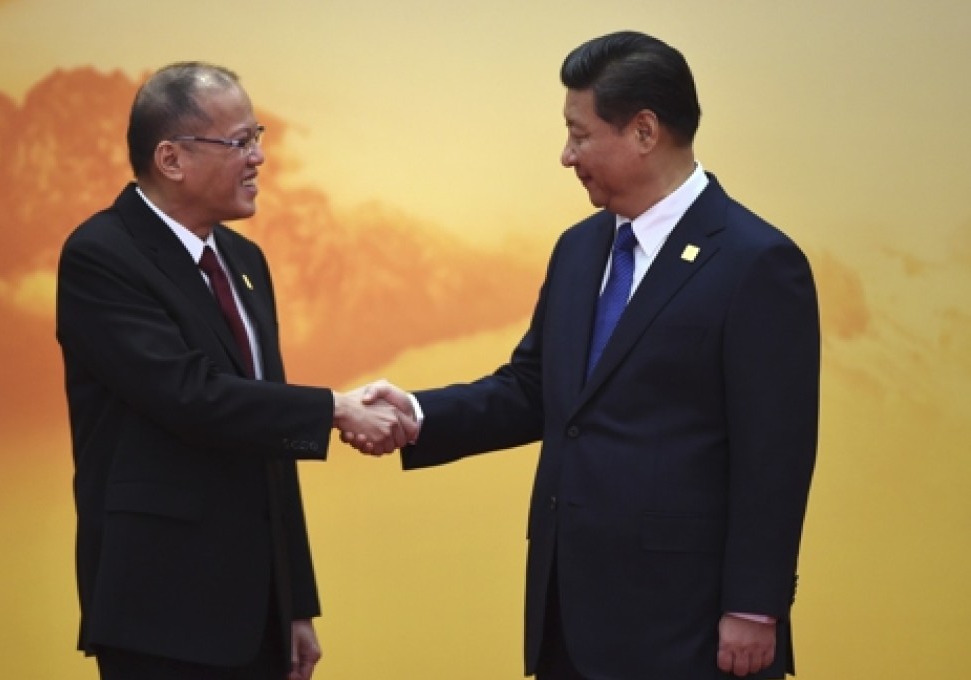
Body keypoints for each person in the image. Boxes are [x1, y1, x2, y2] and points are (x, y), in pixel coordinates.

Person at [350, 31, 819, 679]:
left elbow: (776, 453)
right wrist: (417, 413)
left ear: (644, 131)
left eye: (579, 133)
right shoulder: (579, 248)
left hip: (688, 624)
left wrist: (755, 606)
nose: (566, 156)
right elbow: (535, 389)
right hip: (568, 611)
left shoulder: (756, 262)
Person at [56, 62, 415, 679]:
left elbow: (266, 438)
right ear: (171, 159)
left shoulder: (244, 261)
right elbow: (189, 397)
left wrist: (295, 603)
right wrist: (334, 408)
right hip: (162, 611)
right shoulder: (101, 257)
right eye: (240, 142)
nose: (259, 159)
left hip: (257, 615)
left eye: (259, 137)